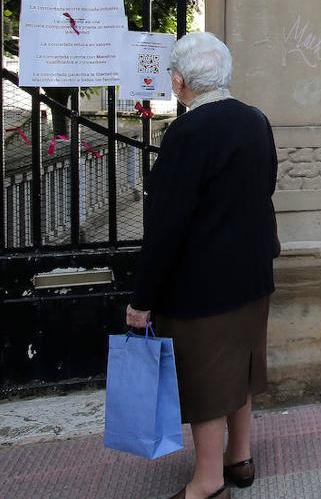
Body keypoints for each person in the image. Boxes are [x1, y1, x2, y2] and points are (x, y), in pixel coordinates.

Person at [126, 32, 279, 499]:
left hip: (201, 285)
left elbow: (167, 224)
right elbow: (266, 186)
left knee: (207, 379)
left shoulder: (187, 133)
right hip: (252, 274)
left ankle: (208, 481)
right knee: (241, 367)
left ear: (178, 81)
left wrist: (142, 299)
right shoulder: (256, 120)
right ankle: (241, 457)